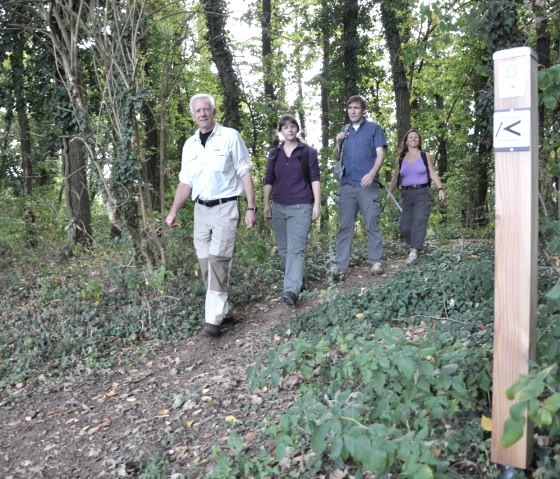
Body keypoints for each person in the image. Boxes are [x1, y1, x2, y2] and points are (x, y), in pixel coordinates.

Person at [165, 93, 257, 338]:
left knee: (218, 261)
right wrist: (173, 211)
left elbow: (244, 172)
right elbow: (185, 183)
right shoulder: (190, 145)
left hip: (226, 207)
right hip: (200, 210)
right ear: (193, 115)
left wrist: (251, 207)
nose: (203, 113)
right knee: (206, 265)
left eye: (207, 109)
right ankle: (224, 310)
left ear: (214, 112)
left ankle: (212, 322)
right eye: (198, 110)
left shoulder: (230, 137)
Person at [263, 114, 321, 308]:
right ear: (280, 131)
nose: (289, 129)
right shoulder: (274, 154)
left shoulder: (308, 152)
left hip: (301, 205)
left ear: (297, 129)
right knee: (285, 250)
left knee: (296, 249)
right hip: (278, 206)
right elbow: (268, 180)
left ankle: (290, 290)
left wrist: (317, 203)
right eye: (285, 127)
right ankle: (299, 280)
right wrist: (265, 203)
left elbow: (315, 179)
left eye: (293, 126)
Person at [333, 95, 388, 278]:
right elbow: (336, 156)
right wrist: (337, 141)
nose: (353, 111)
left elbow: (380, 154)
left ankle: (376, 262)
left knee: (372, 222)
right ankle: (340, 266)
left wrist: (372, 174)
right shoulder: (345, 130)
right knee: (344, 226)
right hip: (347, 184)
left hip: (368, 184)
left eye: (356, 108)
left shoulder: (374, 129)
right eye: (350, 108)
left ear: (363, 110)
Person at [388, 128, 445, 265]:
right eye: (411, 137)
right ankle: (415, 245)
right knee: (405, 226)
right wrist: (390, 191)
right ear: (406, 141)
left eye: (416, 137)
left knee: (419, 219)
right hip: (406, 194)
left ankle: (414, 251)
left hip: (422, 193)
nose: (413, 139)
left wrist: (440, 188)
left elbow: (432, 173)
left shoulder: (425, 156)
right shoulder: (400, 159)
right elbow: (396, 177)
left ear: (419, 141)